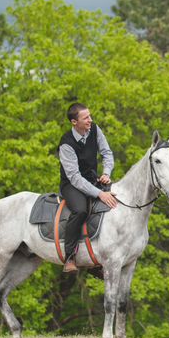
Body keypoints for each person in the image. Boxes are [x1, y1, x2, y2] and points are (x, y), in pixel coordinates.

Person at [58, 103, 118, 272]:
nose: (90, 120)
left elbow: (107, 153)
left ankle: (96, 259)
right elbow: (75, 178)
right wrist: (100, 194)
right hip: (71, 185)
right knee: (81, 210)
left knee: (112, 207)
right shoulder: (66, 144)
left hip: (93, 180)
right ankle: (69, 257)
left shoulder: (95, 130)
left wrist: (106, 173)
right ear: (74, 122)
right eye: (86, 118)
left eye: (90, 116)